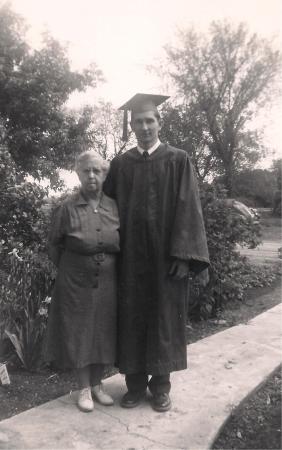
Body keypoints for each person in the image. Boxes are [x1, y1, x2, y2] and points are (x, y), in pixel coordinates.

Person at [103, 93, 210, 412]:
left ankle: (161, 387)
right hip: (130, 258)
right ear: (132, 125)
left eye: (150, 120)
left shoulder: (178, 159)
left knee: (164, 318)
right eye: (139, 121)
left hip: (167, 258)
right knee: (132, 316)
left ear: (159, 123)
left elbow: (188, 207)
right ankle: (134, 386)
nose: (144, 126)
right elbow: (107, 209)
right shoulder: (121, 164)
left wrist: (183, 255)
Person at [44, 150, 120, 412]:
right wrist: (74, 269)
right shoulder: (67, 207)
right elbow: (54, 245)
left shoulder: (114, 205)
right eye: (86, 170)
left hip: (108, 281)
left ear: (104, 174)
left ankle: (99, 385)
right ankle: (84, 388)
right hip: (75, 282)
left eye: (96, 171)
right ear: (78, 173)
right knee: (80, 332)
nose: (91, 175)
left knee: (103, 330)